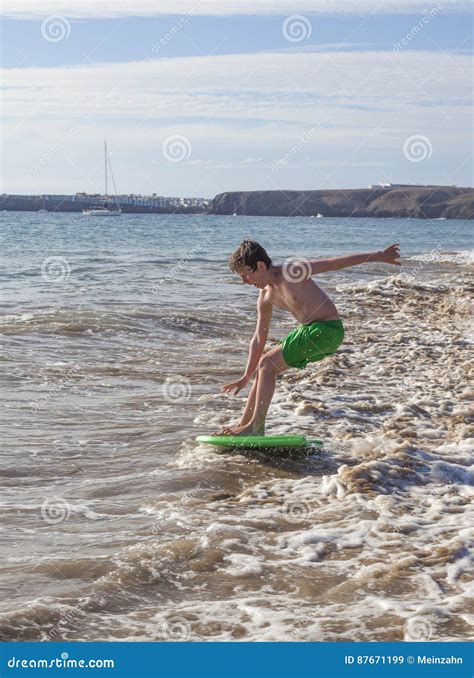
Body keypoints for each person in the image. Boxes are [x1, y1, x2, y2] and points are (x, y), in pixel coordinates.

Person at [216, 239, 401, 436]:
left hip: (328, 330)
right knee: (264, 368)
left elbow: (334, 263)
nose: (245, 282)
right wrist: (246, 376)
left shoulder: (292, 272)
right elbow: (259, 338)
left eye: (246, 275)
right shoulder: (264, 296)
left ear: (260, 266)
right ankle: (245, 424)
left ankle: (255, 427)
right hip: (310, 330)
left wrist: (379, 255)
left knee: (267, 364)